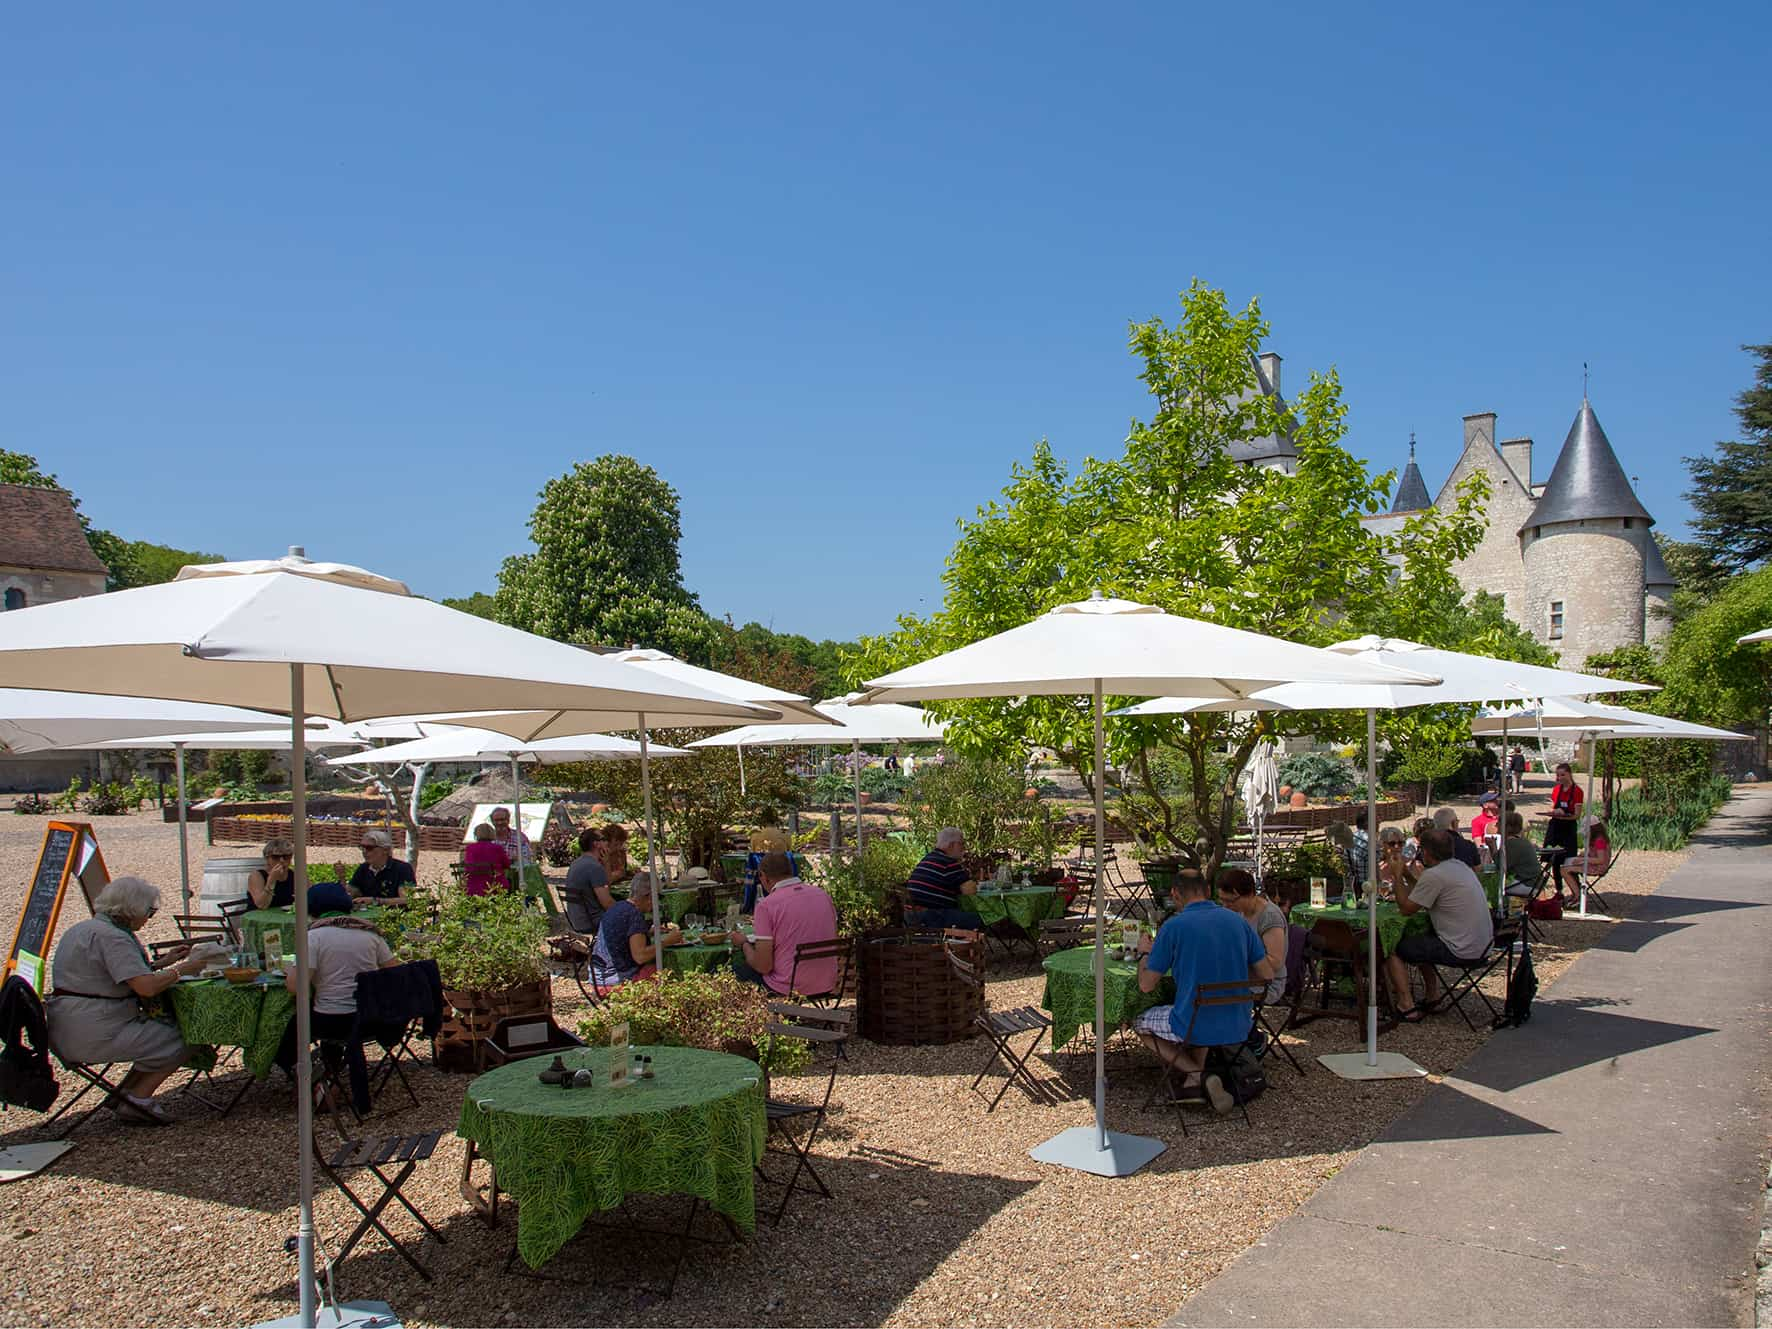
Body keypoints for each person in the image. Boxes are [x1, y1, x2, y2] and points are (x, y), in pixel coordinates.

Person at [46, 876, 212, 1122]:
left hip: (68, 1026)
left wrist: (162, 964)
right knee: (193, 1032)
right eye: (150, 912)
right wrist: (183, 970)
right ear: (132, 909)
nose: (149, 918)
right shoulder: (113, 937)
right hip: (95, 1031)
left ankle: (125, 1094)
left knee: (161, 1033)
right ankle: (138, 1099)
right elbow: (145, 987)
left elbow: (113, 975)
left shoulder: (84, 928)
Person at [1132, 870, 1274, 1114]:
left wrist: (1145, 952)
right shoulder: (1238, 921)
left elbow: (1146, 985)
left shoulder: (1173, 927)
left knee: (1138, 1022)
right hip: (1238, 1023)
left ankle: (1200, 1074)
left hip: (1193, 1023)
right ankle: (1194, 1084)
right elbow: (1267, 973)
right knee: (1200, 1006)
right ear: (1208, 891)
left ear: (1175, 895)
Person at [274, 883, 402, 1084]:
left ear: (312, 910)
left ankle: (309, 1077)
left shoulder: (313, 937)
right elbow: (395, 974)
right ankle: (330, 1073)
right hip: (372, 1020)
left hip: (333, 1022)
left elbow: (295, 987)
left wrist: (292, 970)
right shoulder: (370, 934)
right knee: (323, 1008)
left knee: (291, 1024)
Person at [1383, 828, 1494, 1021]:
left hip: (1461, 949)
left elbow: (1406, 909)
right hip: (1483, 946)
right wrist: (1408, 875)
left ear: (1426, 852)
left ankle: (1406, 1005)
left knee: (1391, 946)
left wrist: (1398, 875)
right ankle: (1432, 996)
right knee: (1423, 938)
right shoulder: (1460, 866)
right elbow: (1422, 891)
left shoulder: (1435, 875)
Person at [728, 850, 839, 997]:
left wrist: (744, 944)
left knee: (728, 973)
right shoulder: (823, 896)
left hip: (788, 987)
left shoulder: (766, 906)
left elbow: (763, 966)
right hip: (826, 982)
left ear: (763, 877)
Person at [589, 872, 676, 988]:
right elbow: (640, 956)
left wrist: (647, 932)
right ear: (650, 896)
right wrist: (667, 942)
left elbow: (621, 934)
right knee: (667, 970)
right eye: (658, 897)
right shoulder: (635, 915)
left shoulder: (617, 906)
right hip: (614, 980)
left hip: (597, 976)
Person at [1216, 869, 1287, 1004]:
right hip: (1242, 976)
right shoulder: (1239, 912)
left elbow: (1275, 963)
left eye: (1229, 901)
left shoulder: (1270, 917)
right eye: (1222, 900)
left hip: (1266, 984)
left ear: (1247, 895)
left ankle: (1232, 1024)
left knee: (1211, 994)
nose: (1225, 906)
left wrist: (1237, 958)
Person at [904, 827, 980, 929]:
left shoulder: (928, 858)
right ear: (952, 845)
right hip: (931, 917)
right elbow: (970, 891)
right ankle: (965, 944)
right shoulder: (948, 862)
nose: (964, 848)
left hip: (912, 915)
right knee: (980, 918)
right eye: (961, 844)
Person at [562, 827, 614, 933]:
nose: (607, 842)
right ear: (596, 844)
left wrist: (607, 863)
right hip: (592, 921)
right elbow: (607, 903)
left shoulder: (576, 863)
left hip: (577, 920)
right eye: (604, 839)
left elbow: (607, 884)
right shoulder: (594, 867)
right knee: (632, 918)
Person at [1544, 763, 1583, 894]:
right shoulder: (1556, 790)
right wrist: (1555, 812)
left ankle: (1576, 891)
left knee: (1568, 860)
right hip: (1555, 827)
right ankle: (1559, 890)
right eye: (1558, 775)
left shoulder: (1577, 791)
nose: (1560, 778)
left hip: (1568, 828)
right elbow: (1552, 807)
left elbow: (1577, 815)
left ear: (1569, 774)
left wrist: (1565, 816)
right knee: (1554, 860)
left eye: (1562, 775)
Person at [347, 829, 414, 903]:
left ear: (386, 850)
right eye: (362, 847)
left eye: (369, 848)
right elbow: (350, 894)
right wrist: (342, 877)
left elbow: (407, 900)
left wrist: (375, 901)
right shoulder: (363, 868)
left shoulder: (403, 869)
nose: (364, 851)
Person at [1564, 820, 1611, 904]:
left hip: (1597, 867)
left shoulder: (1600, 841)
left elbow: (1601, 860)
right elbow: (1591, 852)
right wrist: (1581, 856)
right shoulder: (1597, 838)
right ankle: (1577, 893)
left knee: (1564, 870)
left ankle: (1577, 895)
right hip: (1592, 864)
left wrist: (1583, 859)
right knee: (1568, 865)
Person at [1499, 811, 1543, 899]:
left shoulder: (1512, 843)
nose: (1496, 826)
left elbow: (1501, 865)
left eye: (1498, 824)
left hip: (1526, 883)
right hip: (1535, 882)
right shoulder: (1523, 841)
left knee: (1492, 885)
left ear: (1507, 827)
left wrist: (1492, 847)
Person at [460, 822, 511, 897]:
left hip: (472, 886)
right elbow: (507, 864)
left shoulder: (470, 848)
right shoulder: (497, 848)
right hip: (495, 886)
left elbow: (467, 866)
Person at [247, 837, 296, 909]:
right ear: (267, 859)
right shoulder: (257, 876)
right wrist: (271, 880)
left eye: (286, 856)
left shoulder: (295, 875)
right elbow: (262, 905)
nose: (282, 860)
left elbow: (312, 895)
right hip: (259, 917)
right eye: (276, 857)